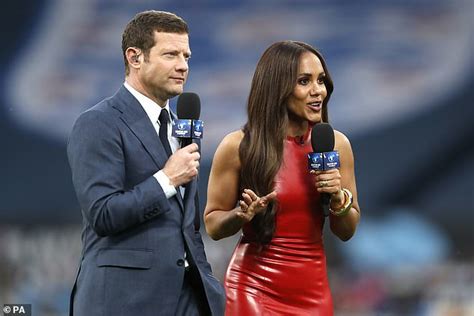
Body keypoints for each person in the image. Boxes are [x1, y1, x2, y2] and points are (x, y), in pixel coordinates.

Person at [67, 10, 225, 316]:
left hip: (188, 297)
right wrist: (165, 180)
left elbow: (185, 224)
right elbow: (103, 213)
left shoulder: (182, 127)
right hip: (124, 299)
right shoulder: (98, 123)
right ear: (135, 57)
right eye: (170, 54)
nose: (183, 65)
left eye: (186, 56)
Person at [204, 41, 361, 315]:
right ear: (278, 87)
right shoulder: (238, 146)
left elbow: (346, 231)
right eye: (304, 81)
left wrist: (338, 198)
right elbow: (214, 225)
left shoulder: (336, 145)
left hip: (313, 290)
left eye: (321, 80)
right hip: (254, 288)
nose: (318, 91)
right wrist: (240, 215)